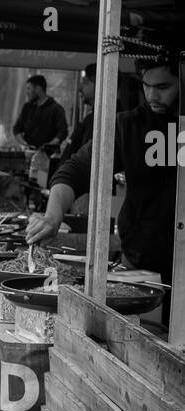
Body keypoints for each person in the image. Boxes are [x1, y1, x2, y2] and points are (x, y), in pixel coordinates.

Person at [27, 48, 180, 292]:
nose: (152, 95)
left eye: (162, 87)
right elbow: (75, 170)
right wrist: (53, 216)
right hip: (140, 265)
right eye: (146, 86)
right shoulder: (128, 125)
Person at [13, 74, 68, 154]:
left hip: (49, 157)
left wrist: (47, 147)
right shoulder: (27, 107)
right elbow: (17, 128)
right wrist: (25, 144)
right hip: (30, 154)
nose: (27, 92)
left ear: (38, 89)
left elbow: (62, 132)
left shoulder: (56, 109)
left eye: (29, 88)